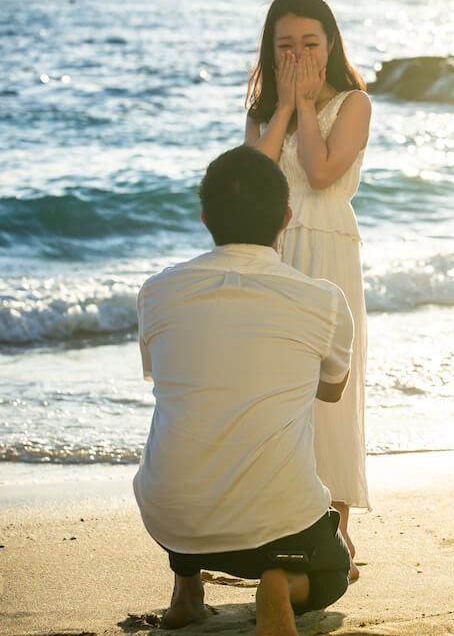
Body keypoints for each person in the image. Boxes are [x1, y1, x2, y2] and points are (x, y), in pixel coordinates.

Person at [133, 146, 355, 634]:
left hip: (173, 521)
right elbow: (333, 391)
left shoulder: (156, 291)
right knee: (336, 569)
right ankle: (281, 583)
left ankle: (186, 593)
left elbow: (164, 377)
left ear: (205, 217)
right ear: (287, 219)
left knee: (195, 426)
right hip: (280, 524)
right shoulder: (324, 301)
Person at [244, 0, 371, 581]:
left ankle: (338, 526)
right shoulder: (261, 113)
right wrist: (285, 111)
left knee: (332, 391)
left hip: (330, 251)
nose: (298, 56)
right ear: (270, 53)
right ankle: (280, 523)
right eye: (285, 46)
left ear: (331, 45)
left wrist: (303, 107)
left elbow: (321, 174)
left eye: (310, 44)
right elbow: (255, 181)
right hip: (276, 252)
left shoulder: (353, 105)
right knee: (277, 391)